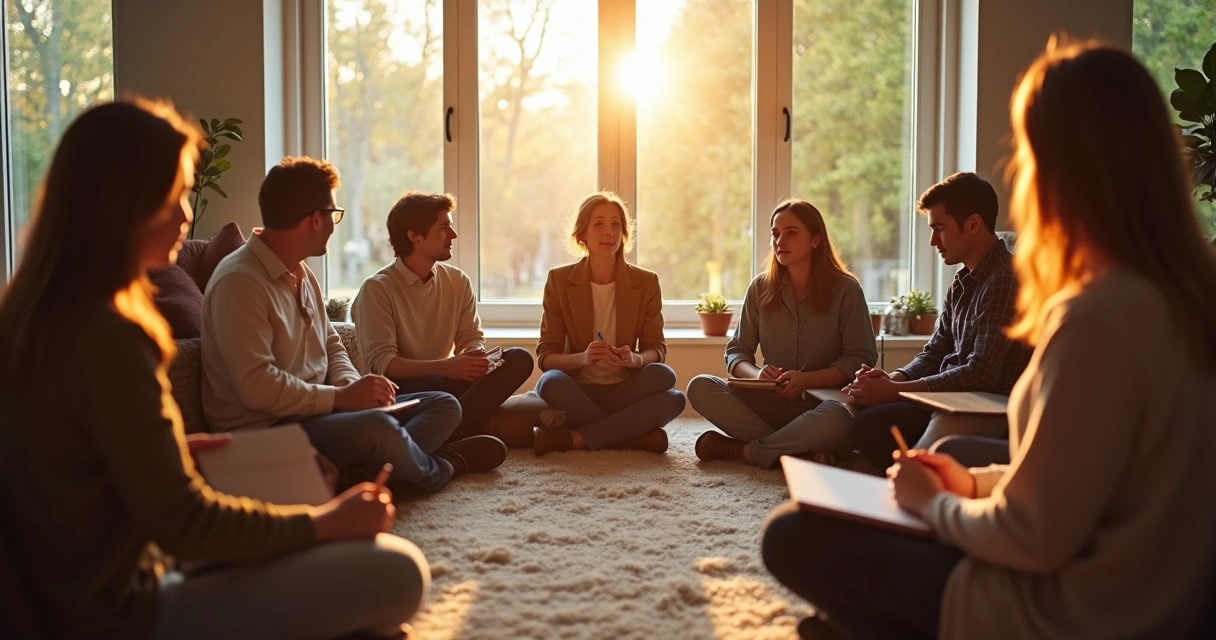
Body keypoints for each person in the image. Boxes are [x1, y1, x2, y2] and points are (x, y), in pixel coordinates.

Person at [762, 41, 1216, 639]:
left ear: (1058, 173)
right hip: (1143, 581)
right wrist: (968, 483)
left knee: (790, 535)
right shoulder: (1181, 289)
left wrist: (935, 503)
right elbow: (1081, 485)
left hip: (1070, 608)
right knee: (944, 463)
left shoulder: (1098, 320)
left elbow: (1031, 536)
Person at [0, 99, 429, 640]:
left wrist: (169, 456)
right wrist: (326, 523)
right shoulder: (111, 335)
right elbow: (187, 524)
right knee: (398, 570)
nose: (187, 214)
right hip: (123, 612)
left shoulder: (33, 316)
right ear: (123, 201)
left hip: (76, 591)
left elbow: (75, 473)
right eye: (175, 194)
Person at [202, 158, 506, 494]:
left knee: (444, 404)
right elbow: (256, 387)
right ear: (315, 219)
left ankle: (372, 471)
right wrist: (341, 398)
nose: (335, 225)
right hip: (268, 429)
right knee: (378, 428)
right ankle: (442, 467)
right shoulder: (240, 281)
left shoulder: (301, 273)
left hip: (318, 413)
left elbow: (331, 345)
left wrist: (355, 389)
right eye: (334, 214)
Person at [845, 173, 1032, 472]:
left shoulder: (1004, 279)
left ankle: (913, 487)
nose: (933, 241)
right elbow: (936, 350)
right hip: (951, 395)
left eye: (939, 229)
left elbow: (982, 373)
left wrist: (896, 392)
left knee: (877, 426)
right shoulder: (961, 282)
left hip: (985, 404)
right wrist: (895, 379)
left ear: (972, 224)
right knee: (865, 421)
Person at [686, 199, 876, 468]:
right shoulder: (760, 287)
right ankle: (796, 453)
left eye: (791, 232)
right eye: (775, 233)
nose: (780, 240)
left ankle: (746, 451)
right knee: (699, 386)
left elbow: (860, 358)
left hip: (818, 406)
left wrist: (806, 380)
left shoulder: (846, 290)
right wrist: (757, 375)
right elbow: (737, 351)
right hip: (767, 403)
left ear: (815, 240)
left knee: (840, 418)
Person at [351, 191, 536, 442]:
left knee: (519, 359)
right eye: (444, 228)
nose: (453, 235)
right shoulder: (377, 290)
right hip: (404, 389)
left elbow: (470, 336)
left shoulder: (457, 281)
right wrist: (447, 367)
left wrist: (474, 355)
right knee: (438, 385)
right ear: (415, 235)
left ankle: (450, 435)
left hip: (448, 379)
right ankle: (459, 432)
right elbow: (384, 364)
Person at [531, 191, 685, 456]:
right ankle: (632, 436)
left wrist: (635, 360)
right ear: (582, 235)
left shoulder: (646, 282)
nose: (609, 231)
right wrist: (583, 358)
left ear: (623, 233)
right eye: (599, 223)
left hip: (625, 391)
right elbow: (546, 357)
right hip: (579, 390)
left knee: (668, 383)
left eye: (616, 224)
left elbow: (656, 349)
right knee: (549, 382)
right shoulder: (559, 280)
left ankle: (576, 439)